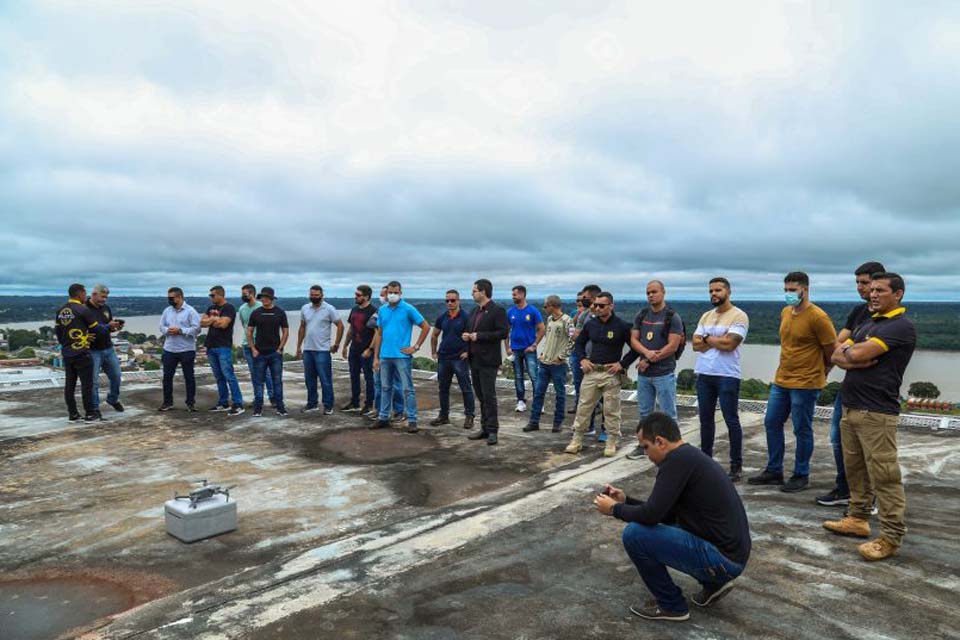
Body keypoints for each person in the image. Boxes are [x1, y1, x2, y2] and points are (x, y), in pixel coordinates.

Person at [594, 412, 751, 622]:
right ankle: (714, 583)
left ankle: (672, 605)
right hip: (730, 557)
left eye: (646, 447)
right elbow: (663, 514)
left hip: (724, 560)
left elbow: (651, 516)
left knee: (635, 535)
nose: (646, 454)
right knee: (665, 526)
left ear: (660, 441)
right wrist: (625, 500)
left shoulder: (676, 462)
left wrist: (614, 510)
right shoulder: (687, 457)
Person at [823, 272, 916, 561]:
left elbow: (854, 354)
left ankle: (890, 537)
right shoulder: (868, 323)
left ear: (898, 294)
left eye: (881, 290)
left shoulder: (900, 326)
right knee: (856, 471)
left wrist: (851, 355)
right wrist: (851, 356)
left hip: (877, 412)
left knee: (885, 477)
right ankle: (857, 518)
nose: (873, 294)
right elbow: (837, 356)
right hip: (851, 407)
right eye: (871, 290)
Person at [748, 272, 837, 492]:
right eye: (785, 290)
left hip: (806, 383)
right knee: (771, 423)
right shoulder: (786, 312)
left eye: (792, 290)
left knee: (802, 430)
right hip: (782, 380)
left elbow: (831, 351)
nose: (788, 294)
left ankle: (801, 474)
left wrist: (821, 374)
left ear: (805, 290)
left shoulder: (818, 317)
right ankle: (774, 470)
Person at [816, 261, 886, 507]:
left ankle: (870, 496)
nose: (861, 288)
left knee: (870, 446)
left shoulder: (888, 319)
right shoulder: (859, 312)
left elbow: (865, 355)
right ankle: (845, 488)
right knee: (838, 438)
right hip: (850, 388)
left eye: (865, 283)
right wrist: (828, 369)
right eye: (857, 283)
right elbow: (838, 346)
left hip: (874, 393)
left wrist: (848, 354)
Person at [681, 277, 750, 481]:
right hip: (704, 374)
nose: (714, 294)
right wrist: (715, 340)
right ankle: (705, 462)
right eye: (711, 290)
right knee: (705, 420)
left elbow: (730, 344)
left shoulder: (739, 315)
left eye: (718, 290)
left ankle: (735, 466)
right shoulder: (706, 316)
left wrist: (707, 339)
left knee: (731, 420)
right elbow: (694, 345)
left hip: (727, 375)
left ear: (728, 292)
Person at [564, 292, 639, 457]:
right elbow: (579, 343)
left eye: (601, 305)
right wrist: (582, 359)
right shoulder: (591, 324)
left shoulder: (621, 326)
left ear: (611, 306)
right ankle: (577, 440)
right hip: (592, 371)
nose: (597, 308)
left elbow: (635, 348)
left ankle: (611, 441)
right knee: (583, 407)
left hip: (610, 374)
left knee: (611, 409)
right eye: (596, 305)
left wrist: (622, 364)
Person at [370, 281, 431, 433]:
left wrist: (415, 347)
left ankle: (412, 420)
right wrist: (376, 357)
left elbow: (426, 326)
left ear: (400, 293)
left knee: (407, 389)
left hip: (402, 356)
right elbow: (379, 334)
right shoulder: (383, 310)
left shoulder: (408, 309)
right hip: (385, 355)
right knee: (385, 388)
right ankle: (383, 417)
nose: (392, 295)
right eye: (390, 292)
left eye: (395, 292)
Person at [56, 283, 114, 422]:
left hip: (67, 352)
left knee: (69, 385)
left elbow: (58, 333)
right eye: (84, 293)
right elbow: (98, 329)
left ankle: (73, 414)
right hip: (82, 352)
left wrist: (67, 344)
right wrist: (110, 326)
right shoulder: (82, 310)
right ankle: (90, 413)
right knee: (87, 385)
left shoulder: (60, 310)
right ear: (80, 293)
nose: (85, 296)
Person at [629, 280, 684, 421]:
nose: (651, 295)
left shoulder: (672, 317)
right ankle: (646, 442)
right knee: (644, 414)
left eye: (654, 292)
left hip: (664, 373)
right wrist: (646, 353)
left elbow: (672, 346)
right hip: (644, 374)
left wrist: (648, 359)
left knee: (668, 415)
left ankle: (673, 443)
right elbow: (634, 340)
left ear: (663, 292)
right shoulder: (641, 315)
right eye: (648, 293)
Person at [462, 278, 509, 445]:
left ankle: (493, 430)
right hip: (474, 359)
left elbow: (503, 332)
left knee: (489, 396)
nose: (472, 293)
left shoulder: (497, 311)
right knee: (481, 396)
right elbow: (470, 330)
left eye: (474, 290)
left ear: (483, 292)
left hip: (488, 360)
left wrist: (478, 336)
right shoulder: (474, 311)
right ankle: (484, 428)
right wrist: (467, 338)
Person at [524, 295, 573, 433]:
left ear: (553, 305)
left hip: (558, 365)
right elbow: (549, 339)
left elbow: (573, 341)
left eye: (546, 306)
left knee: (560, 394)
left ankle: (557, 423)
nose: (544, 308)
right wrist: (543, 353)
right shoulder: (550, 319)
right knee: (539, 392)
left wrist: (561, 356)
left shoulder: (567, 321)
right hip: (545, 363)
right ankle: (534, 421)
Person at [429, 289, 476, 429]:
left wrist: (468, 351)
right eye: (447, 300)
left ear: (458, 301)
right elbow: (434, 335)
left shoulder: (466, 317)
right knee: (443, 388)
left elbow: (472, 336)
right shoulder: (442, 317)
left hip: (459, 358)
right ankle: (443, 416)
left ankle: (469, 416)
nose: (449, 303)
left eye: (452, 300)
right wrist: (433, 352)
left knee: (466, 388)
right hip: (444, 357)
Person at [296, 285, 344, 415]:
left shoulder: (329, 309)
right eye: (312, 295)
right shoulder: (305, 308)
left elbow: (340, 325)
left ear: (322, 295)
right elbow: (302, 327)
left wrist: (337, 344)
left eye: (316, 295)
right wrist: (298, 346)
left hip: (322, 350)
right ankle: (312, 404)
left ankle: (328, 405)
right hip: (308, 350)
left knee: (325, 379)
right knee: (309, 379)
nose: (314, 297)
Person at [200, 285, 244, 415]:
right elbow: (201, 323)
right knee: (219, 377)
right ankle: (223, 402)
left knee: (229, 375)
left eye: (212, 295)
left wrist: (211, 319)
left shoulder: (229, 308)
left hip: (223, 346)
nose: (211, 298)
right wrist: (214, 319)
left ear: (220, 295)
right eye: (210, 295)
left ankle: (238, 403)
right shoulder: (211, 308)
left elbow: (223, 324)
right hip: (211, 346)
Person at [247, 287, 289, 417]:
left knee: (277, 381)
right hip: (260, 353)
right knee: (259, 382)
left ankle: (280, 407)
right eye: (262, 297)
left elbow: (285, 331)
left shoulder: (280, 312)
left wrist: (280, 348)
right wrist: (253, 349)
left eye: (267, 297)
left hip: (275, 354)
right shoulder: (256, 313)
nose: (264, 299)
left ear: (272, 298)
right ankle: (258, 408)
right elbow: (249, 331)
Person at [158, 287, 201, 412]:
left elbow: (197, 329)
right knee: (167, 377)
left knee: (189, 377)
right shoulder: (167, 311)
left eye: (171, 298)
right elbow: (161, 326)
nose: (169, 300)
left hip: (186, 349)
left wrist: (181, 331)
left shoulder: (191, 311)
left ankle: (190, 403)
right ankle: (167, 402)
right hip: (169, 349)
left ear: (179, 297)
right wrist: (168, 330)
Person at [504, 285, 545, 412]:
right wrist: (507, 347)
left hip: (529, 350)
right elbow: (506, 331)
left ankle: (538, 403)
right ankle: (520, 401)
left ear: (522, 295)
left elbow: (541, 329)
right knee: (518, 376)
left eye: (515, 294)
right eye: (512, 294)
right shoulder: (510, 311)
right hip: (515, 349)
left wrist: (534, 345)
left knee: (534, 376)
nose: (513, 297)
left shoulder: (532, 311)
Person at [86, 284, 124, 414]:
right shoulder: (84, 309)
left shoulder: (106, 308)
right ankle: (95, 408)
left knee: (116, 376)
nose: (104, 300)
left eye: (106, 297)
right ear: (94, 294)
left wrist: (115, 327)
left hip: (108, 348)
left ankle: (113, 399)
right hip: (92, 350)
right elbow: (90, 329)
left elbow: (108, 328)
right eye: (102, 297)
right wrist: (108, 326)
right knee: (93, 381)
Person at [341, 285, 377, 414]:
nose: (355, 297)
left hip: (366, 350)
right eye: (355, 294)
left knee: (369, 378)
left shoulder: (373, 311)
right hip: (354, 349)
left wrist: (370, 349)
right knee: (354, 375)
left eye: (358, 295)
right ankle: (354, 402)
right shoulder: (354, 309)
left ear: (366, 296)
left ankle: (369, 404)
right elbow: (351, 329)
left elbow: (377, 333)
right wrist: (345, 345)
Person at [238, 284, 275, 407]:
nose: (243, 296)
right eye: (242, 294)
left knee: (266, 372)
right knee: (254, 373)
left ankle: (273, 397)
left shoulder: (261, 307)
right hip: (248, 345)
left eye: (245, 294)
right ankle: (258, 398)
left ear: (252, 294)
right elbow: (245, 326)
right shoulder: (242, 309)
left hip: (261, 345)